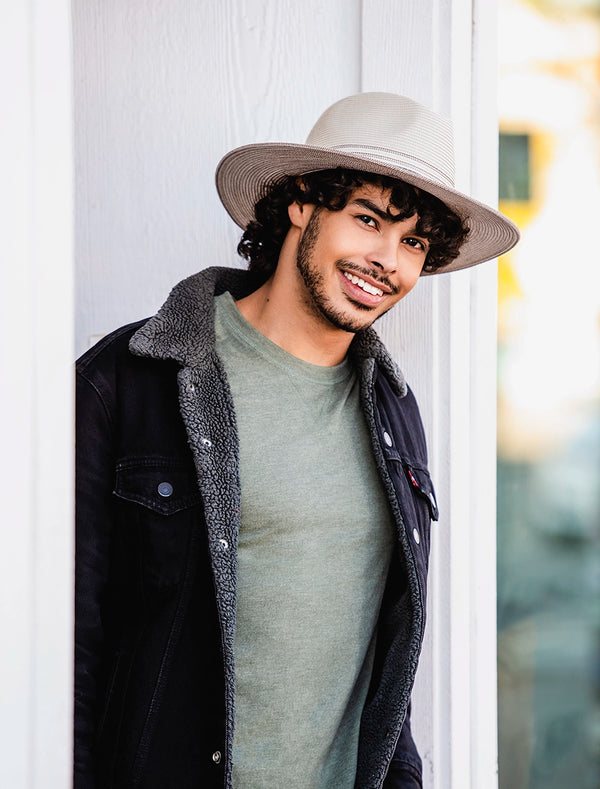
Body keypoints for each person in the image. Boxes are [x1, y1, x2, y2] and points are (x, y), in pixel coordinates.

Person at [74, 92, 519, 789]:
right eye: (368, 219)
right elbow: (63, 642)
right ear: (303, 204)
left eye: (413, 242)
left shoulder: (394, 415)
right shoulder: (133, 378)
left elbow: (381, 664)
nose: (387, 260)